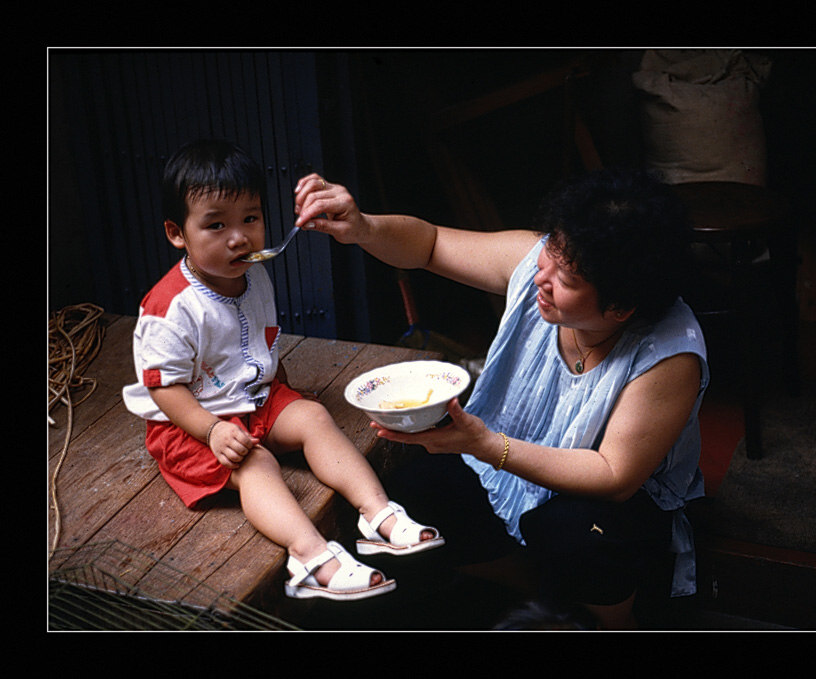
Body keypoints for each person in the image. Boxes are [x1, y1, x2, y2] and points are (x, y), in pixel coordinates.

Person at [293, 166, 708, 629]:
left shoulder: (670, 354)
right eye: (547, 254)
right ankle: (539, 587)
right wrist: (363, 227)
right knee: (405, 501)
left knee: (577, 536)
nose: (540, 278)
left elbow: (614, 475)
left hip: (604, 504)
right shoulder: (540, 263)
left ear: (620, 307)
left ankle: (616, 623)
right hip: (503, 469)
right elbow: (428, 245)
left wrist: (485, 445)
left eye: (565, 280)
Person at [122, 139, 443, 602]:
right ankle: (311, 557)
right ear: (177, 233)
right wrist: (211, 430)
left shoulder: (252, 273)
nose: (239, 237)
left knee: (312, 416)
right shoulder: (171, 306)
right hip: (190, 423)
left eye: (250, 219)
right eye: (215, 225)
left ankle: (379, 516)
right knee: (257, 463)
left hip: (255, 397)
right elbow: (165, 389)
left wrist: (280, 393)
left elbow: (251, 340)